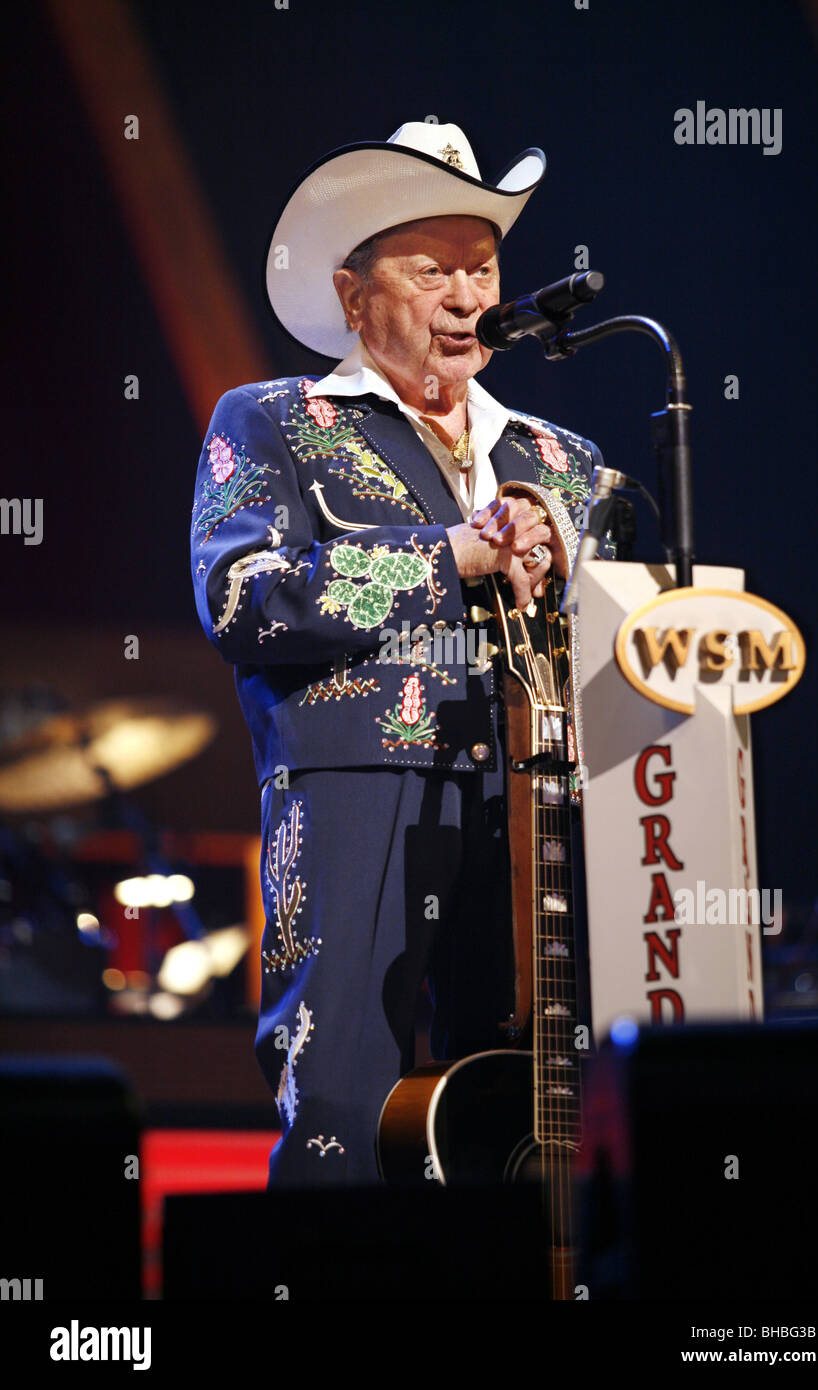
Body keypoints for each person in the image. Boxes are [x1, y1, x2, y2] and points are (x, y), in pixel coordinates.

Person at [190, 121, 611, 1187]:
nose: (468, 295)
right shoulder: (275, 421)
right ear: (352, 295)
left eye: (481, 267)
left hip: (536, 810)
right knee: (338, 1102)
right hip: (353, 797)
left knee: (520, 1115)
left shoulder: (563, 460)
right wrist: (448, 556)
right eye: (432, 271)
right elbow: (241, 597)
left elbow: (619, 633)